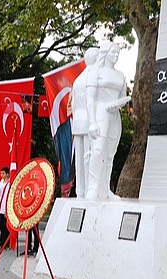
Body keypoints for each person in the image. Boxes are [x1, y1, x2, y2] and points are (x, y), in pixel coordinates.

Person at [85, 42, 131, 200]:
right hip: (100, 113)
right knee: (97, 151)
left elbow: (122, 97)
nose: (116, 55)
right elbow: (90, 99)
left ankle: (105, 190)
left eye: (118, 53)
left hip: (114, 115)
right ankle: (93, 188)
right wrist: (92, 121)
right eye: (113, 52)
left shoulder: (120, 75)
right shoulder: (95, 72)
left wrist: (121, 103)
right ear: (106, 53)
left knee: (110, 153)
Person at [71, 47, 100, 198]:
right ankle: (89, 189)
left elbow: (74, 104)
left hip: (78, 122)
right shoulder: (93, 76)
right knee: (90, 157)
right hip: (89, 121)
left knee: (80, 159)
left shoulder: (77, 80)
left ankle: (80, 191)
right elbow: (93, 100)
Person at [0, 167, 10, 249]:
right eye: (1, 173)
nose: (1, 175)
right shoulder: (1, 182)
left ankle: (7, 242)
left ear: (7, 174)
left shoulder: (10, 183)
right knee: (1, 225)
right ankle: (2, 241)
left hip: (6, 206)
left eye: (3, 173)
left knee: (5, 225)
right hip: (0, 205)